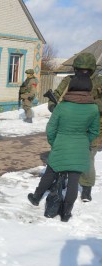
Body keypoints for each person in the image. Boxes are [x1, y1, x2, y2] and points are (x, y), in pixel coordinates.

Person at [28, 56, 100, 222]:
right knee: (74, 182)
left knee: (49, 174)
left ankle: (36, 197)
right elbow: (94, 131)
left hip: (61, 146)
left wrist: (55, 142)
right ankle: (66, 213)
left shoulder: (62, 107)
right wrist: (84, 141)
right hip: (80, 148)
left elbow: (50, 129)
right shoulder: (93, 109)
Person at [47, 52, 102, 202]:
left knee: (87, 161)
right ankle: (62, 180)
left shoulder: (99, 82)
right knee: (63, 156)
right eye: (79, 69)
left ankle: (86, 188)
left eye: (85, 70)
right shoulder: (68, 80)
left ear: (91, 70)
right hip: (66, 128)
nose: (82, 72)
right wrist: (53, 107)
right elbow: (56, 95)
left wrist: (90, 106)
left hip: (89, 130)